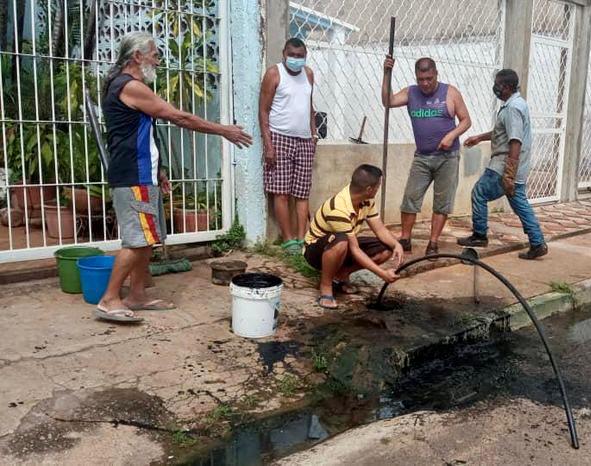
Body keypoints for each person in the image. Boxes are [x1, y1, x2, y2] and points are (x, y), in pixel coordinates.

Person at [96, 31, 252, 323]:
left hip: (143, 173)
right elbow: (179, 117)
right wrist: (224, 130)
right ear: (137, 56)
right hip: (133, 175)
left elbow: (143, 133)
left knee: (147, 238)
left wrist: (159, 170)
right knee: (137, 241)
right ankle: (109, 298)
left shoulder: (128, 85)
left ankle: (137, 294)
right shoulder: (130, 86)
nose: (158, 60)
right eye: (154, 54)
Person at [382, 56, 471, 256]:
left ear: (436, 74)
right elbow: (387, 101)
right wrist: (387, 73)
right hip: (422, 157)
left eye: (429, 78)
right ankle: (405, 239)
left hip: (447, 157)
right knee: (410, 198)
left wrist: (451, 135)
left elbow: (466, 121)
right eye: (421, 79)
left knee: (442, 202)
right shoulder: (411, 92)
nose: (425, 83)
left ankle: (433, 243)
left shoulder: (450, 92)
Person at [458, 69, 548, 260]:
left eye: (498, 85)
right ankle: (538, 242)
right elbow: (503, 131)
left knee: (479, 192)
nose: (495, 88)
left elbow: (515, 140)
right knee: (520, 203)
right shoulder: (517, 104)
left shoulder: (513, 108)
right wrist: (479, 137)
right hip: (516, 166)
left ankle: (480, 235)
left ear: (506, 87)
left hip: (503, 164)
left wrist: (508, 173)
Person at [304, 164, 404, 309]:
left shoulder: (367, 201)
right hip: (316, 251)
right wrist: (382, 274)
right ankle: (325, 286)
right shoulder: (338, 208)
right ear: (369, 189)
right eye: (378, 186)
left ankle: (341, 275)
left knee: (387, 247)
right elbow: (355, 250)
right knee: (341, 241)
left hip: (345, 244)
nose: (378, 189)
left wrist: (397, 245)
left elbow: (380, 230)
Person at [259, 37, 318, 255]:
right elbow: (263, 110)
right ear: (284, 53)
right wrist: (269, 145)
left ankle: (302, 239)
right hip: (279, 137)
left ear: (305, 55)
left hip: (304, 139)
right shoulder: (274, 74)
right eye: (291, 55)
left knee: (302, 193)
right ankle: (288, 240)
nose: (295, 59)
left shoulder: (309, 74)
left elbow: (309, 106)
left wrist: (313, 135)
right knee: (281, 192)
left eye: (300, 56)